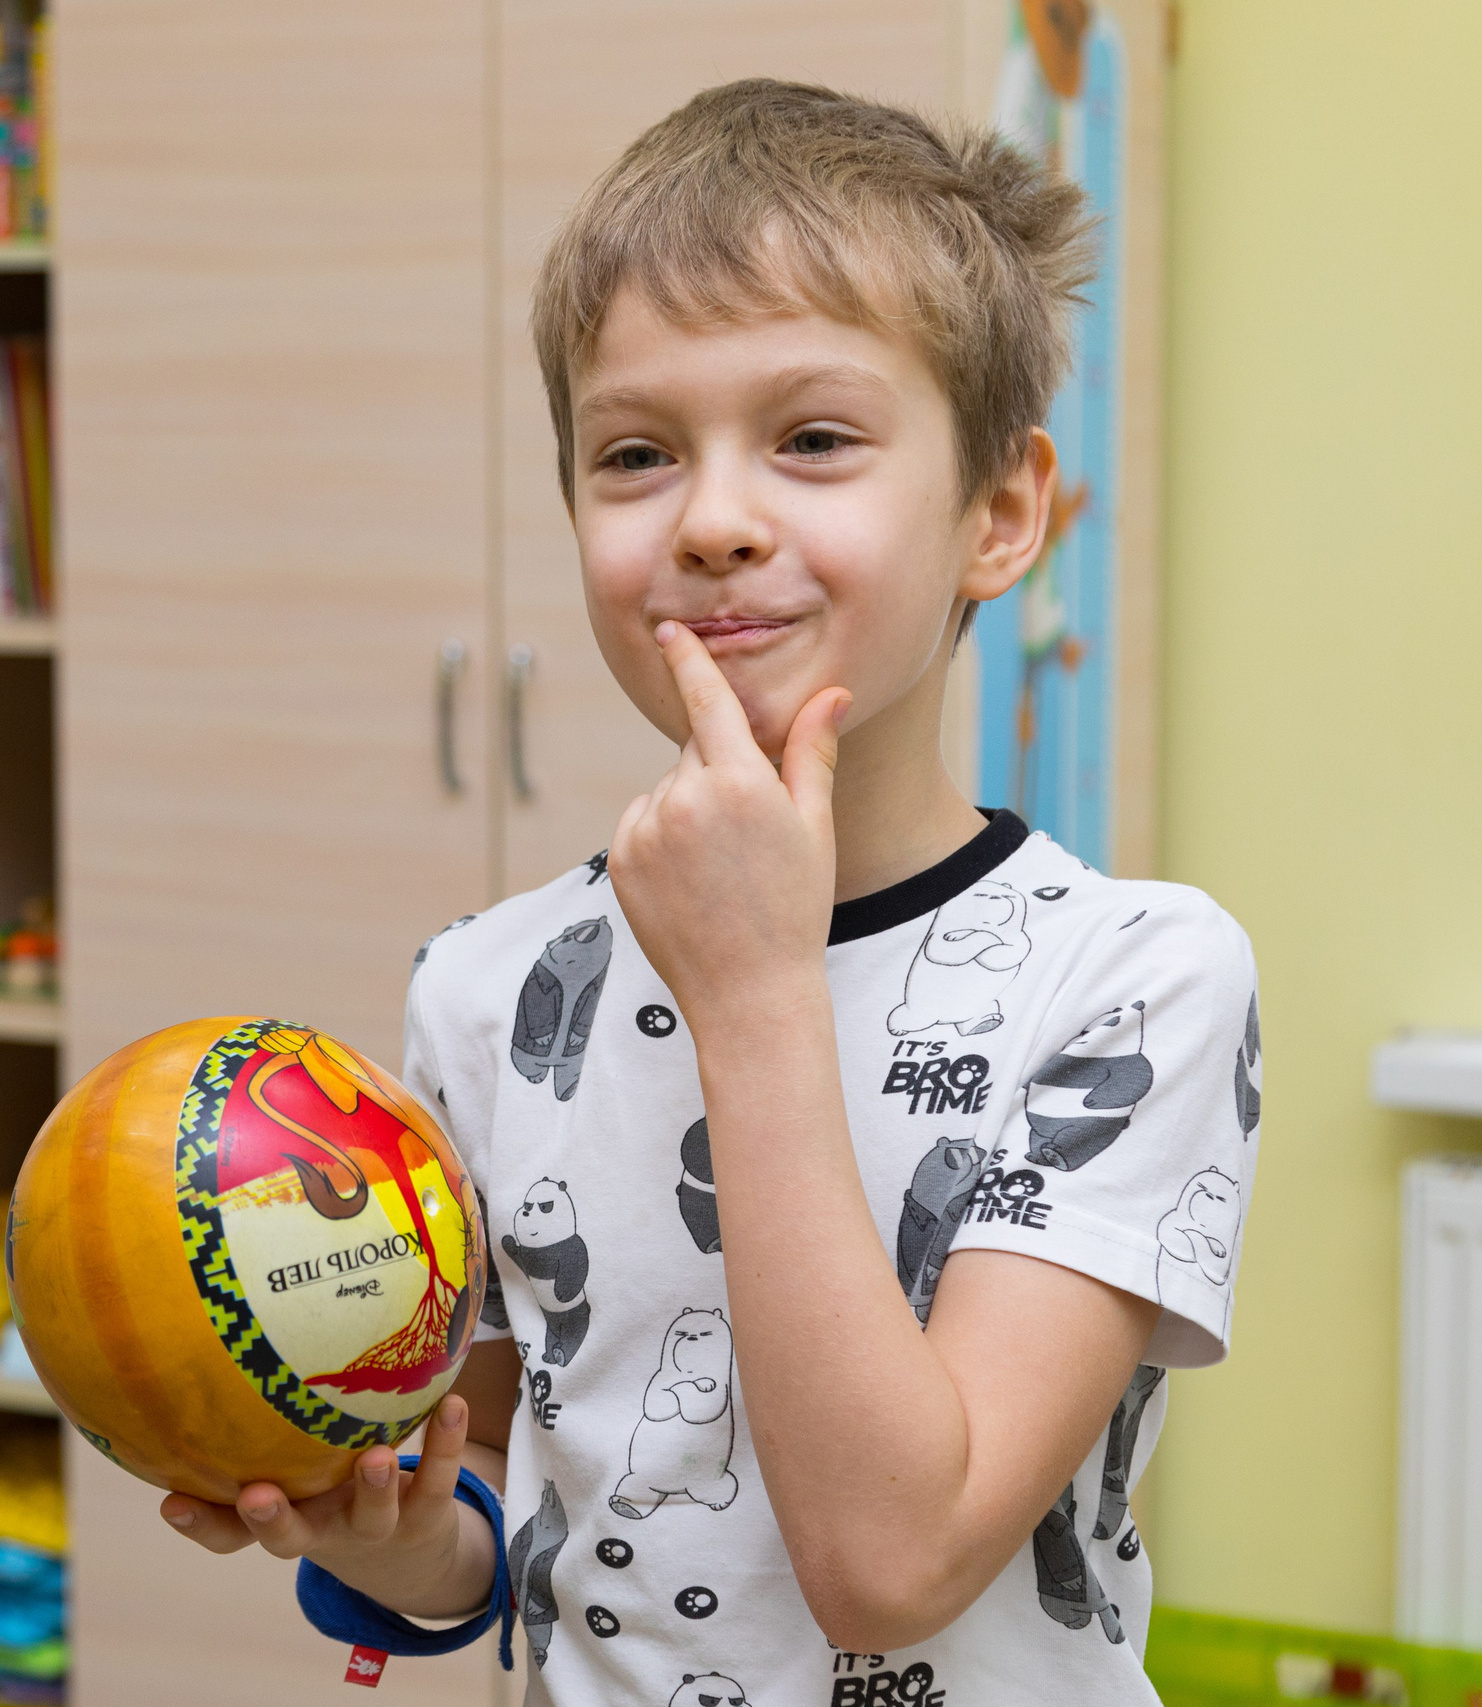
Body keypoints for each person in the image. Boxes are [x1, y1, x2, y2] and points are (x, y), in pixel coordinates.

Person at [159, 77, 1261, 1705]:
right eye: (635, 455)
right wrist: (386, 1544)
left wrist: (751, 988)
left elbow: (894, 1564)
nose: (717, 521)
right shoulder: (485, 994)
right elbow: (503, 1512)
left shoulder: (1133, 980)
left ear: (1002, 513)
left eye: (814, 439)